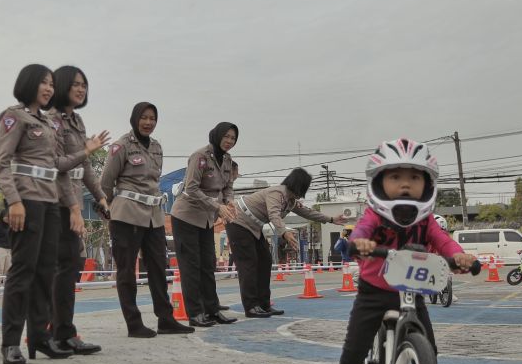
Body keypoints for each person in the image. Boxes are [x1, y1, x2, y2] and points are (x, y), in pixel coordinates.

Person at [323, 138, 477, 364]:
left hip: (411, 290)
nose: (405, 184)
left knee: (427, 343)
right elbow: (361, 232)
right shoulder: (373, 215)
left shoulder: (426, 220)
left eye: (414, 177)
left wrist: (461, 256)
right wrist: (361, 243)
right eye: (396, 177)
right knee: (355, 344)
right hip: (373, 290)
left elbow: (443, 242)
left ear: (427, 183)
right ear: (380, 181)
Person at [0, 64, 82, 364]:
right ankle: (10, 343)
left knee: (46, 272)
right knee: (23, 271)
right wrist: (14, 202)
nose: (48, 88)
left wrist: (71, 204)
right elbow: (3, 163)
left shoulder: (47, 123)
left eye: (50, 84)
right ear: (29, 84)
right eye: (43, 83)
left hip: (50, 203)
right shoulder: (13, 116)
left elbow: (59, 167)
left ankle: (40, 337)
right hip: (26, 202)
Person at [102, 102, 194, 337]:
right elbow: (106, 182)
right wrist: (111, 209)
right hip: (126, 215)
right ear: (135, 119)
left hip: (154, 216)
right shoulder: (121, 146)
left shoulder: (156, 147)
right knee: (126, 271)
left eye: (152, 118)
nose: (148, 122)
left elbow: (154, 180)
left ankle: (165, 319)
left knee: (158, 268)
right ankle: (134, 323)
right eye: (144, 117)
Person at [46, 65, 111, 354]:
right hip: (55, 203)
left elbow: (84, 167)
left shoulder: (77, 120)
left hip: (71, 203)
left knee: (70, 267)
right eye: (75, 84)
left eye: (84, 84)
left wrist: (100, 197)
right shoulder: (51, 121)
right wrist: (86, 151)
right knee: (59, 268)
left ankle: (64, 331)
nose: (81, 89)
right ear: (60, 86)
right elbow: (58, 165)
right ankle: (52, 332)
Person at [226, 168, 344, 318]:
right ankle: (251, 307)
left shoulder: (291, 200)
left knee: (265, 261)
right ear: (298, 184)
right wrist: (285, 232)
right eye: (304, 187)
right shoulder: (277, 193)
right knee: (248, 264)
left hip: (254, 227)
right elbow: (273, 214)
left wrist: (331, 219)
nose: (303, 192)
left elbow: (308, 212)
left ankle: (264, 304)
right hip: (238, 222)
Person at [169, 122, 240, 327]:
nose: (229, 141)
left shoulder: (227, 160)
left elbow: (227, 187)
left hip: (207, 219)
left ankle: (212, 310)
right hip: (186, 216)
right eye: (226, 136)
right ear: (217, 135)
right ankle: (195, 313)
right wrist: (217, 207)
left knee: (208, 265)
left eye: (233, 139)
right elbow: (191, 188)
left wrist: (229, 201)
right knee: (191, 266)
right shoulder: (200, 156)